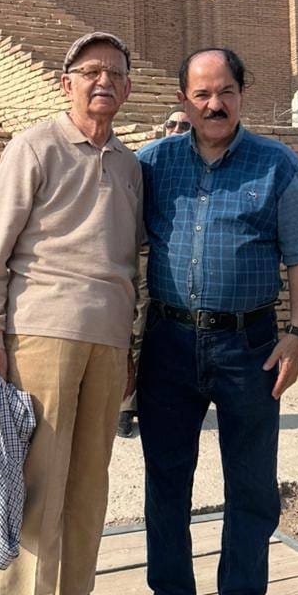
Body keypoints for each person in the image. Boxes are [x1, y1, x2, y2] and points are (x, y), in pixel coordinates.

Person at [135, 47, 298, 595]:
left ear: (242, 94)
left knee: (251, 480)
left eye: (226, 92)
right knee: (167, 478)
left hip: (250, 347)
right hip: (169, 342)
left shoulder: (276, 164)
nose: (214, 105)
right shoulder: (153, 163)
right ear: (183, 100)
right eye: (202, 94)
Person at [0, 31, 142, 595]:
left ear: (127, 89)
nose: (104, 82)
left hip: (107, 340)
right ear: (65, 83)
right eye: (90, 71)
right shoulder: (34, 147)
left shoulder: (129, 165)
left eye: (115, 74)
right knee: (37, 490)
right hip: (41, 331)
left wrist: (128, 344)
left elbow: (129, 262)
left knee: (88, 488)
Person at [115, 109, 191, 439]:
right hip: (146, 252)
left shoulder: (200, 165)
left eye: (184, 125)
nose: (177, 129)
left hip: (182, 259)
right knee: (138, 322)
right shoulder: (149, 161)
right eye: (171, 124)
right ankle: (125, 404)